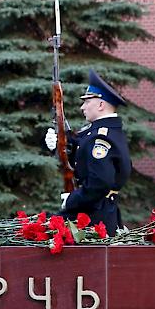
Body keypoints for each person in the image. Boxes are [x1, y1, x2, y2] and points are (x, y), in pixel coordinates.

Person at [44, 69, 131, 234]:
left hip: (95, 219)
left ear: (100, 105)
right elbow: (79, 146)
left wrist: (71, 200)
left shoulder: (102, 138)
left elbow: (99, 184)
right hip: (96, 214)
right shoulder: (100, 133)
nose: (82, 107)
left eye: (87, 102)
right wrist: (57, 143)